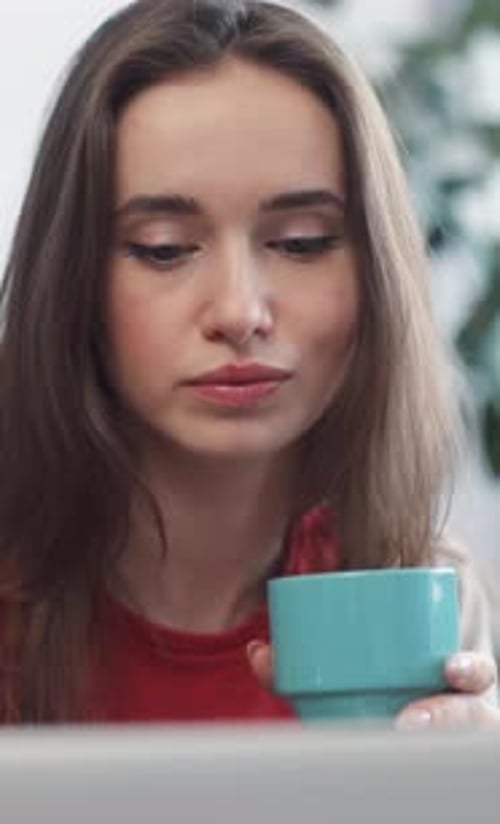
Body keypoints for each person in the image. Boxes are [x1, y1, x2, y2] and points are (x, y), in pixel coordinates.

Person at [0, 0, 497, 727]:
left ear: (375, 276)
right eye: (164, 248)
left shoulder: (426, 595)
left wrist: (469, 811)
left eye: (300, 242)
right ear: (73, 282)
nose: (239, 311)